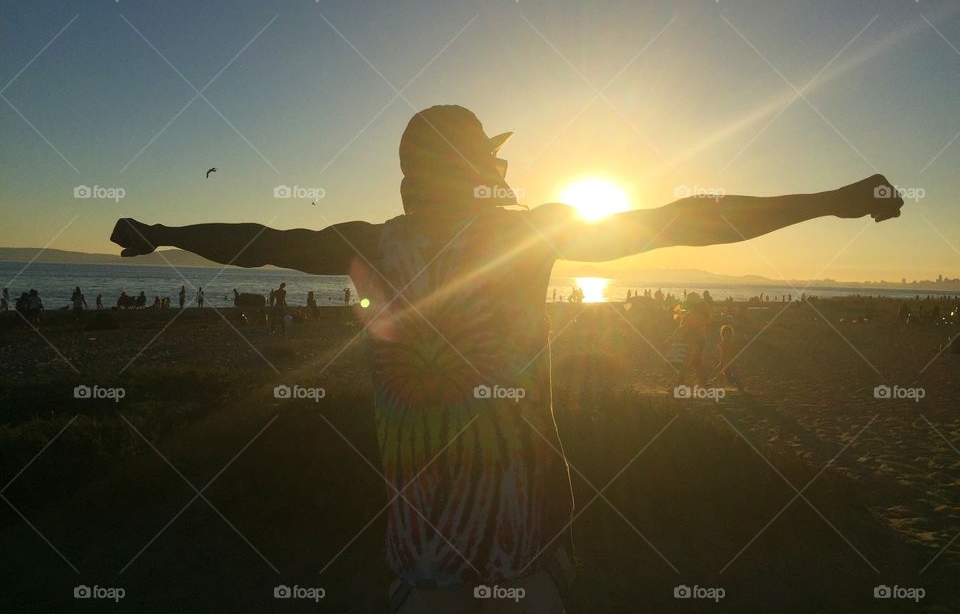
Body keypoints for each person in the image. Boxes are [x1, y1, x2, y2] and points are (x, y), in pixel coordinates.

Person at [109, 104, 904, 612]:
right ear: (467, 169)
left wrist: (164, 232)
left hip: (430, 551)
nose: (502, 172)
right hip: (523, 546)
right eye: (489, 161)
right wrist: (831, 200)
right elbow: (688, 220)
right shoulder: (524, 233)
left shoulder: (373, 243)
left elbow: (261, 241)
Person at [717, 324, 742, 390]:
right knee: (727, 373)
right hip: (727, 361)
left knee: (733, 373)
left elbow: (733, 351)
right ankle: (735, 384)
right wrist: (721, 362)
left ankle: (738, 384)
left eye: (728, 333)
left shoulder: (729, 343)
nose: (726, 335)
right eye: (725, 333)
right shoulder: (723, 343)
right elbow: (722, 354)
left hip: (731, 360)